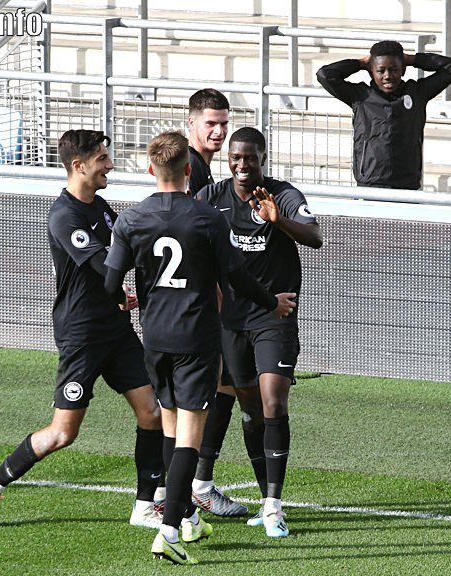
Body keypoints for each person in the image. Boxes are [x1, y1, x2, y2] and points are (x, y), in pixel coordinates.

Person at [103, 130, 296, 565]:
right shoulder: (208, 218)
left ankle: (187, 517)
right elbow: (239, 277)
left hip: (154, 338)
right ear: (189, 170)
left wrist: (127, 299)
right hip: (196, 339)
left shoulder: (130, 220)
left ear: (152, 169)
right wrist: (274, 302)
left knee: (170, 426)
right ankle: (169, 530)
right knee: (189, 431)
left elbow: (111, 283)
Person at [0, 129, 165, 532]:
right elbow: (103, 265)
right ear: (79, 166)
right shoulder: (64, 216)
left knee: (153, 413)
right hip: (82, 336)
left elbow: (117, 262)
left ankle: (145, 505)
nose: (110, 165)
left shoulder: (104, 208)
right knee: (63, 433)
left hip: (116, 329)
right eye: (102, 160)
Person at [195, 127, 323, 538]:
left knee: (273, 402)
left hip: (275, 317)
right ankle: (217, 487)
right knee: (248, 408)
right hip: (230, 322)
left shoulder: (282, 195)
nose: (242, 165)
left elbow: (315, 238)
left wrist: (278, 220)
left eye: (250, 158)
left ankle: (273, 505)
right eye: (236, 158)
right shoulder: (213, 198)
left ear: (262, 158)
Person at [185, 88, 250, 518]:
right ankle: (169, 493)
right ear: (191, 122)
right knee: (182, 399)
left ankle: (197, 484)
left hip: (203, 300)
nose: (219, 131)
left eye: (223, 123)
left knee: (221, 383)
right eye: (210, 123)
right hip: (191, 304)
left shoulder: (205, 172)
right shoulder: (190, 170)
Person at [316, 40, 451, 190]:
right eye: (381, 70)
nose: (387, 76)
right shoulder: (360, 96)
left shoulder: (418, 92)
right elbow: (325, 75)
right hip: (370, 185)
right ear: (371, 71)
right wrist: (359, 63)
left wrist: (412, 59)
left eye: (394, 69)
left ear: (403, 69)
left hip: (408, 184)